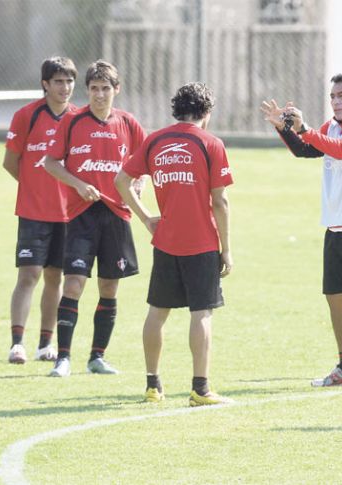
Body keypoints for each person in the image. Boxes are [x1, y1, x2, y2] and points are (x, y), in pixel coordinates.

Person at [260, 73, 342, 389]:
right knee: (335, 298)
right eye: (332, 96)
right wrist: (284, 127)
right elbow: (306, 150)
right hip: (336, 225)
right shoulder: (333, 126)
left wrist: (305, 129)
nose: (335, 102)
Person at [115, 82, 235, 406]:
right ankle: (201, 388)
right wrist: (226, 248)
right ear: (206, 112)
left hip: (165, 241)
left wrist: (145, 218)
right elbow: (220, 203)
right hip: (201, 243)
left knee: (157, 312)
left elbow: (120, 181)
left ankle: (153, 385)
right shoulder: (211, 143)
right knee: (202, 313)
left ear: (176, 110)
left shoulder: (155, 140)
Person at [41, 59, 146, 377]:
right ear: (87, 90)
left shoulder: (128, 123)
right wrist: (78, 183)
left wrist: (138, 186)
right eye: (94, 89)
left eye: (105, 89)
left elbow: (144, 163)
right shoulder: (73, 122)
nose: (99, 95)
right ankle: (63, 358)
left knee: (109, 286)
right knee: (73, 284)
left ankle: (97, 357)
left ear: (117, 90)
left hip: (117, 214)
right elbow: (50, 162)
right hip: (81, 215)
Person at [3, 56, 78, 365]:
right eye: (59, 81)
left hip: (68, 214)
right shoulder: (26, 116)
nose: (65, 87)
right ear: (45, 84)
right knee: (29, 274)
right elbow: (10, 162)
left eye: (70, 81)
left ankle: (45, 344)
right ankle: (17, 343)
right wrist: (35, 187)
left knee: (54, 277)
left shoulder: (78, 118)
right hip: (33, 213)